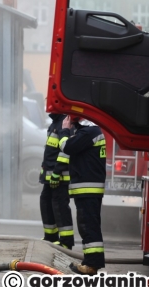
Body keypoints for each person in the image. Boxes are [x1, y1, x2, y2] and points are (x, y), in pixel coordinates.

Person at [61, 116, 106, 275]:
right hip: (88, 189)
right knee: (88, 226)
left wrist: (65, 130)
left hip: (88, 189)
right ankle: (90, 263)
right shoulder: (91, 131)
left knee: (89, 227)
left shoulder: (89, 132)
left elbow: (67, 146)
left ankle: (91, 265)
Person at [39, 113, 74, 249]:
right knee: (46, 203)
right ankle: (51, 237)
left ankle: (66, 242)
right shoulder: (55, 123)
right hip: (49, 176)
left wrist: (57, 172)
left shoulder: (64, 122)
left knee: (60, 208)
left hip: (59, 177)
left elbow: (65, 151)